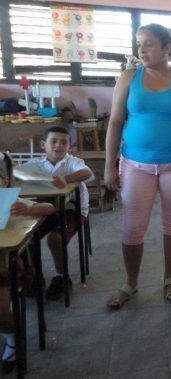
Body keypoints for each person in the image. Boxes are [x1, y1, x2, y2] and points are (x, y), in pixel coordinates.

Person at [105, 23, 171, 309]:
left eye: (149, 43)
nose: (142, 49)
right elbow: (115, 122)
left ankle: (170, 277)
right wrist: (109, 165)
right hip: (135, 163)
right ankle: (130, 282)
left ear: (167, 48)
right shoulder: (129, 77)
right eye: (139, 43)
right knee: (132, 226)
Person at [19, 126, 94, 300]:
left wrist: (65, 179)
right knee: (25, 236)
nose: (58, 146)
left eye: (63, 142)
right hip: (46, 211)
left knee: (55, 239)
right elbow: (16, 173)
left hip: (72, 212)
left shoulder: (72, 162)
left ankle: (62, 277)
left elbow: (87, 173)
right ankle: (34, 277)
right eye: (53, 141)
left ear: (69, 146)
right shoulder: (36, 164)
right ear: (43, 144)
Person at [0, 152, 55, 373]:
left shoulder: (11, 202)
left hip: (6, 267)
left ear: (5, 182)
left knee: (0, 308)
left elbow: (49, 208)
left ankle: (12, 339)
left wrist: (29, 209)